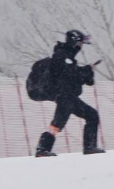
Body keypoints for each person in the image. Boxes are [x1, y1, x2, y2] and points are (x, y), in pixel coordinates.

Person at [35, 29, 105, 157]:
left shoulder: (68, 56)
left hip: (68, 97)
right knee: (58, 124)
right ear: (74, 42)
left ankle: (89, 146)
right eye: (80, 43)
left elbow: (73, 75)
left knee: (91, 116)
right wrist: (86, 70)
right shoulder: (62, 55)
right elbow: (69, 74)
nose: (81, 46)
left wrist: (88, 71)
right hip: (64, 97)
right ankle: (42, 149)